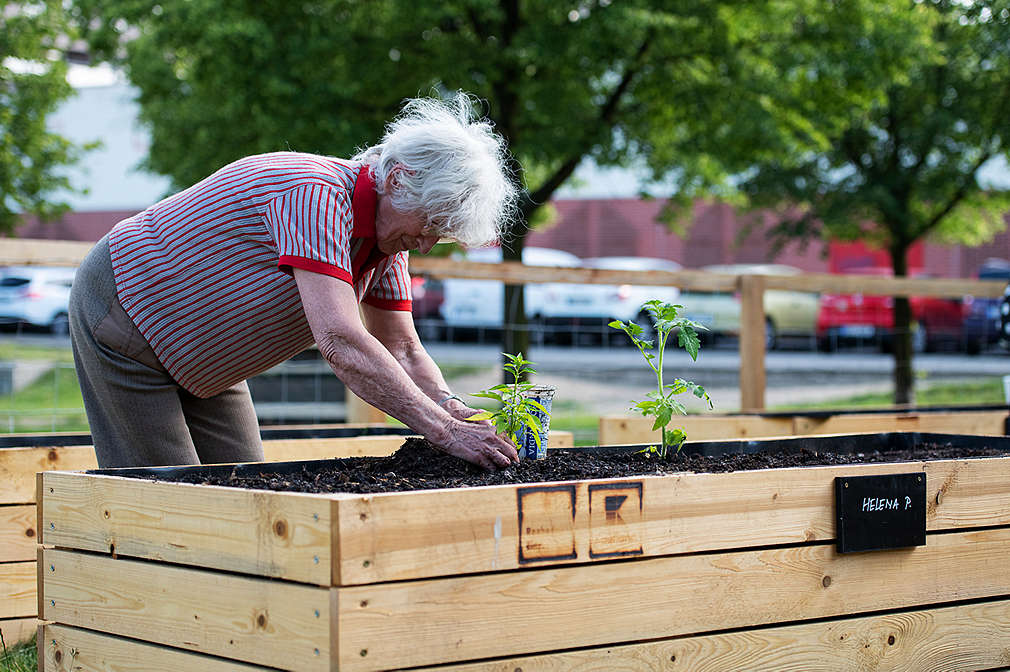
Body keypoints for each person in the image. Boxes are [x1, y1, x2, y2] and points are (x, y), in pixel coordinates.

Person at [69, 92, 520, 470]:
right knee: (168, 504)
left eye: (438, 235)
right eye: (427, 224)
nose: (424, 245)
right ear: (398, 179)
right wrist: (444, 433)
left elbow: (402, 349)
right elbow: (342, 342)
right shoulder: (315, 196)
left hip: (204, 351)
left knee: (249, 491)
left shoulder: (386, 245)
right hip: (127, 315)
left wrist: (453, 409)